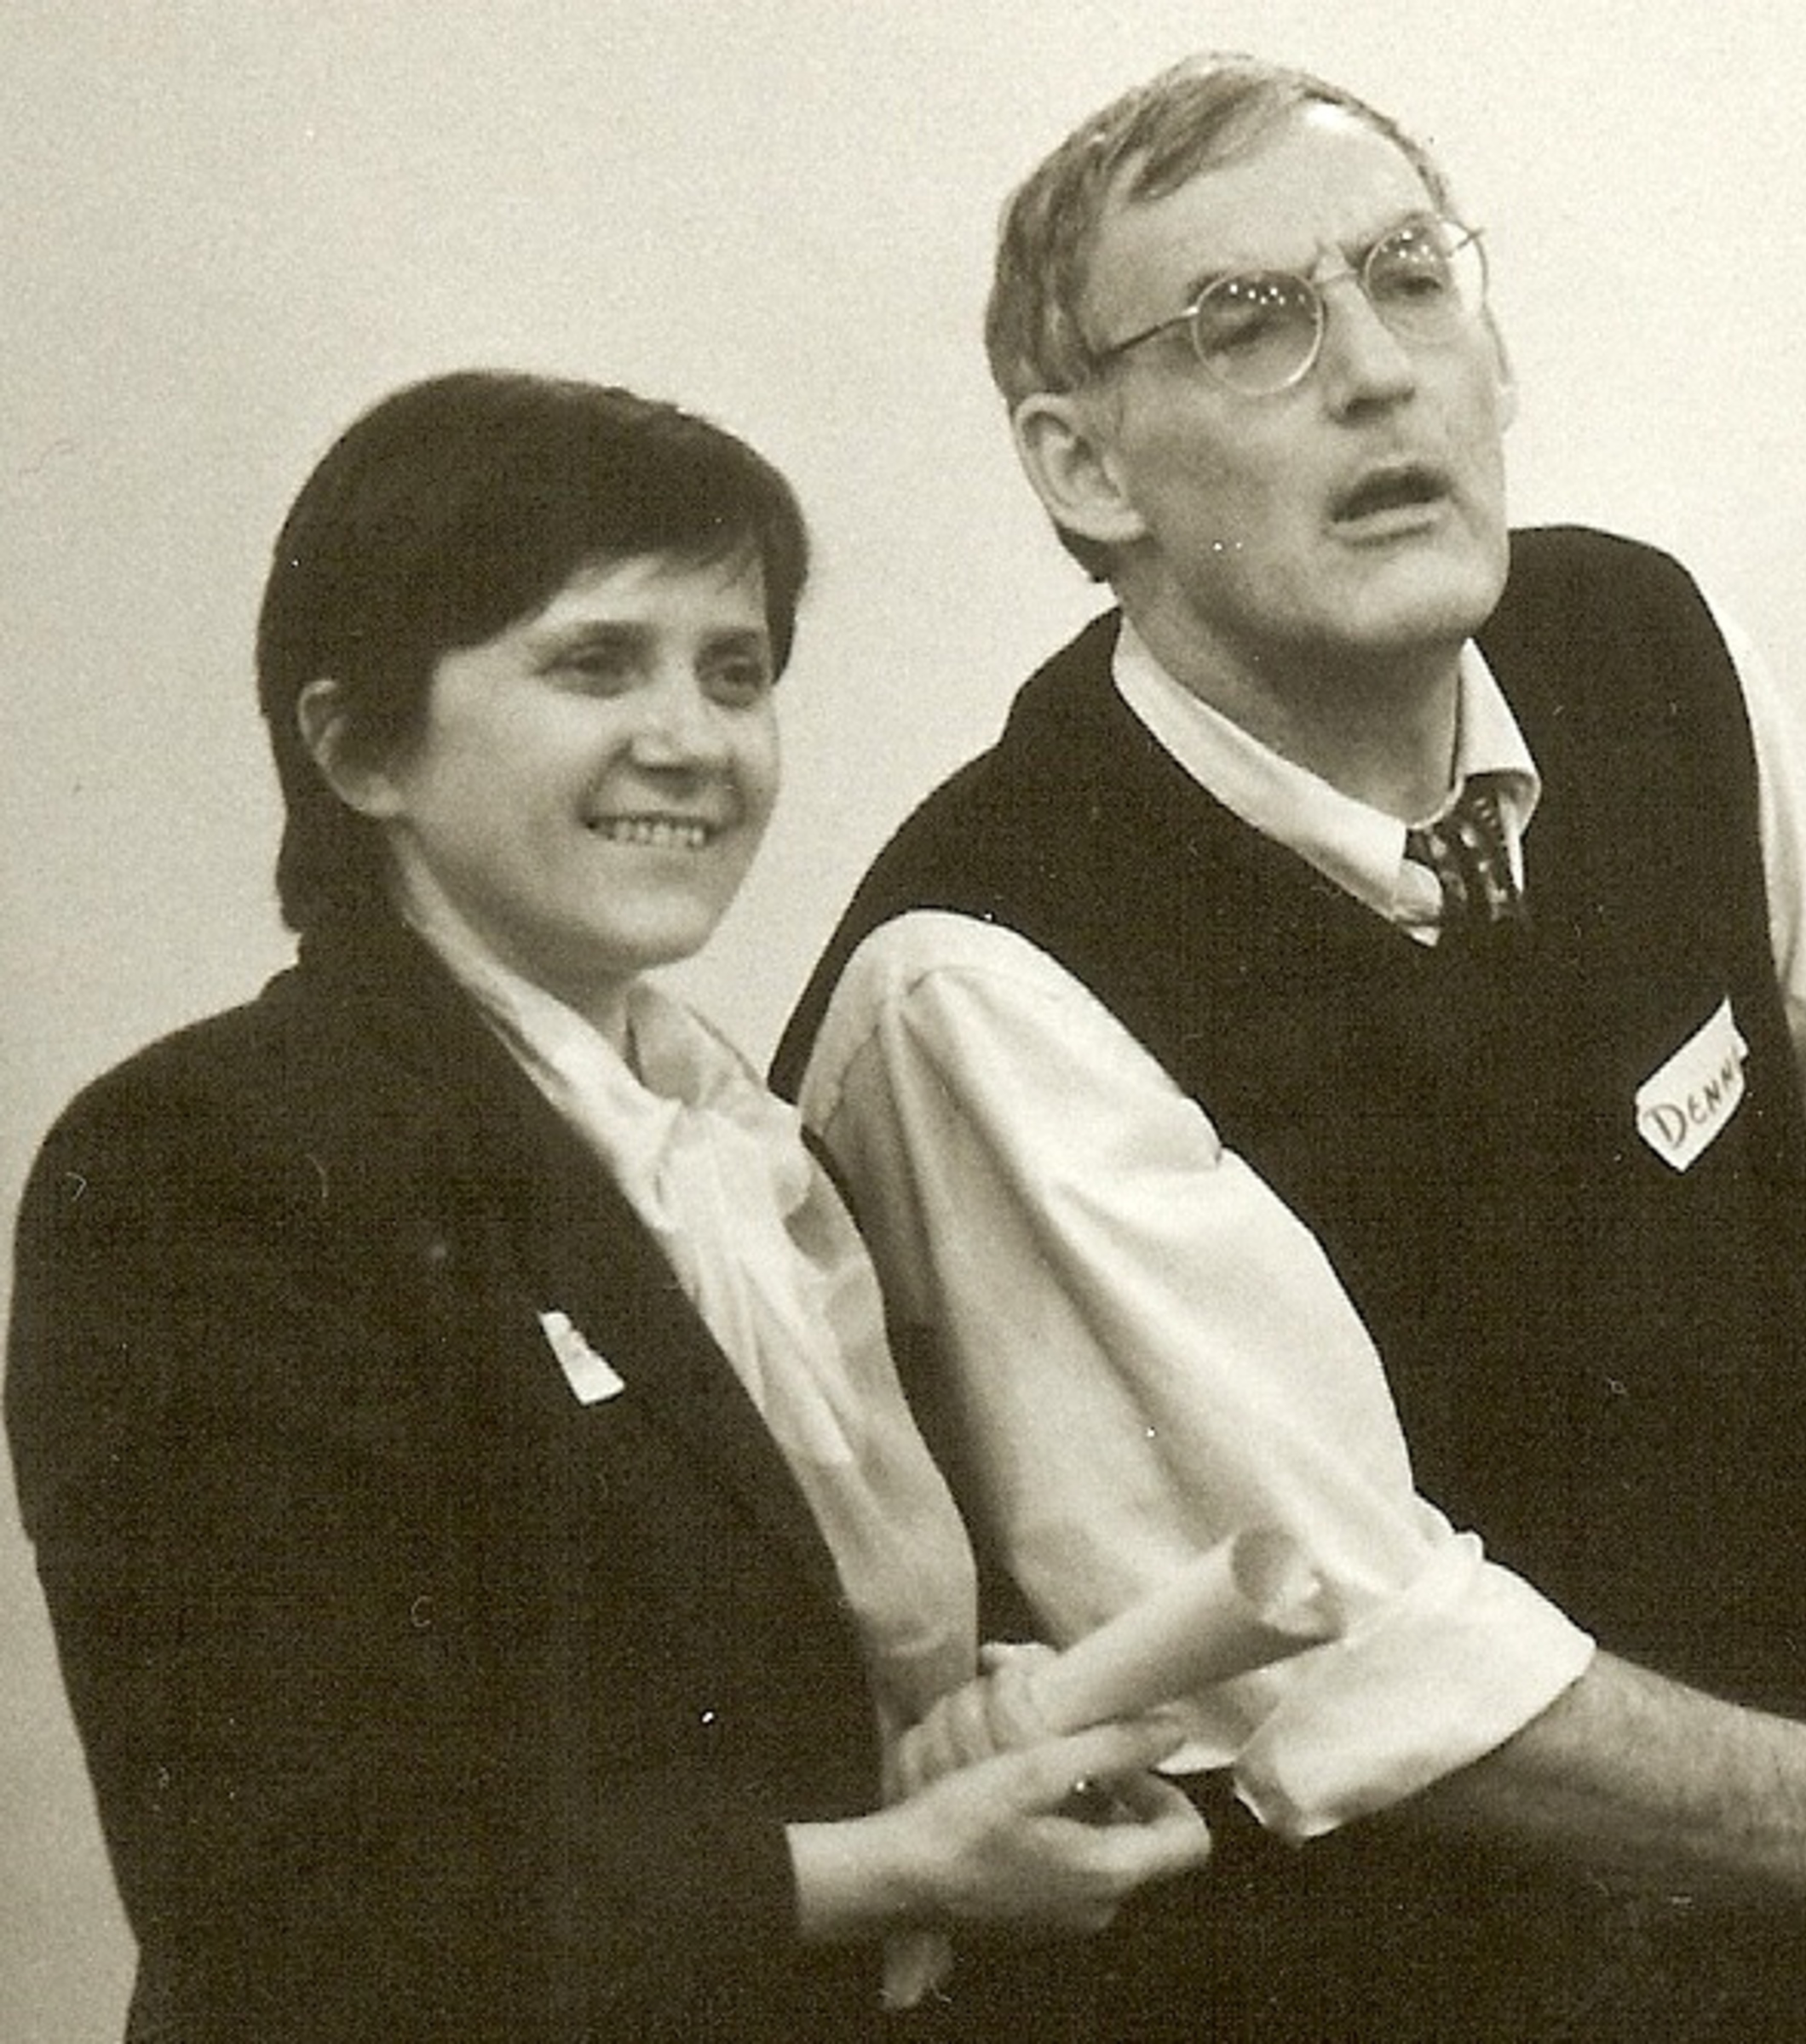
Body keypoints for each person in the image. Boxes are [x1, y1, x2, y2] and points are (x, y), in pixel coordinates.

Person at [774, 53, 1806, 2041]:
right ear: (1083, 469)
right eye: (1244, 325)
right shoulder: (980, 975)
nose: (1372, 372)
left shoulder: (1644, 643)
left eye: (1408, 278)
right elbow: (1380, 1679)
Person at [4, 370, 1209, 2043]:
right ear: (358, 747)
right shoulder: (210, 1159)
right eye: (594, 665)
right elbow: (284, 1892)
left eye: (734, 672)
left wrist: (978, 1725)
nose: (690, 740)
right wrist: (884, 1868)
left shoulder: (757, 1157)